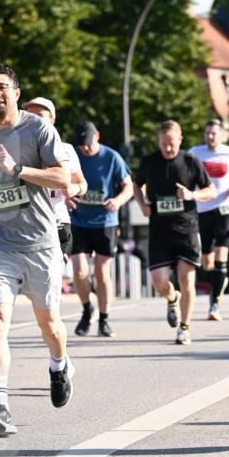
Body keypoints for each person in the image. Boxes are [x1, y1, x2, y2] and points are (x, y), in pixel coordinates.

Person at [0, 61, 73, 436]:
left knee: (50, 326)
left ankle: (59, 364)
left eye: (1, 87)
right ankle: (0, 405)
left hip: (40, 244)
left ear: (16, 92)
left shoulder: (37, 128)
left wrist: (18, 170)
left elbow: (64, 178)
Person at [133, 119, 215, 345]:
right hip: (159, 231)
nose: (168, 148)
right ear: (158, 141)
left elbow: (211, 190)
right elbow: (136, 185)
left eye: (172, 143)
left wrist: (191, 195)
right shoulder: (149, 162)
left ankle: (184, 328)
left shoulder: (190, 161)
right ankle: (172, 298)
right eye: (163, 143)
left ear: (180, 139)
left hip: (186, 230)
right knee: (159, 281)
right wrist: (141, 204)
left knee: (186, 279)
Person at [69, 121, 133, 339]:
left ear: (97, 136)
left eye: (87, 144)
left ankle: (104, 319)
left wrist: (118, 200)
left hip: (105, 221)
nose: (84, 149)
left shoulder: (112, 157)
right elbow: (61, 182)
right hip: (78, 220)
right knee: (78, 272)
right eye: (81, 145)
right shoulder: (72, 156)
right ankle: (87, 309)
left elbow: (128, 186)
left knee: (101, 272)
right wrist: (66, 196)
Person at [188, 119, 229, 320]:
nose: (210, 137)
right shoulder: (195, 152)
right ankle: (219, 279)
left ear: (222, 135)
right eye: (207, 133)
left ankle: (214, 306)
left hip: (225, 208)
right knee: (206, 261)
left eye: (214, 133)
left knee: (221, 254)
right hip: (202, 209)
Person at [20, 97, 87, 262]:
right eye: (30, 115)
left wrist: (74, 189)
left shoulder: (66, 150)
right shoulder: (17, 151)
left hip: (57, 223)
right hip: (27, 225)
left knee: (53, 275)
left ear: (52, 119)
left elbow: (83, 184)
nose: (34, 119)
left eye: (40, 115)